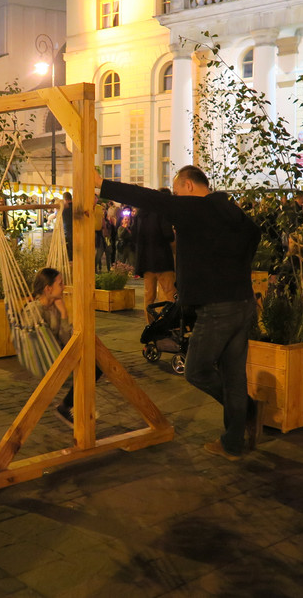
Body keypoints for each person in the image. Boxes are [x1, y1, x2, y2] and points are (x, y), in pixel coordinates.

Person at [98, 165, 262, 461]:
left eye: (176, 190)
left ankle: (246, 411)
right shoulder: (229, 207)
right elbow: (255, 232)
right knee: (235, 376)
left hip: (216, 307)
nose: (174, 196)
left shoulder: (193, 208)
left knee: (196, 370)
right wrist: (238, 267)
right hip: (242, 302)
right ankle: (233, 443)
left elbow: (147, 198)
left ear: (188, 186)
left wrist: (103, 185)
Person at [22, 267, 103, 426]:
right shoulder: (34, 310)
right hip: (44, 357)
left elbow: (66, 339)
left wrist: (64, 314)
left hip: (58, 353)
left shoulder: (54, 308)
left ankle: (73, 405)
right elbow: (39, 342)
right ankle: (67, 406)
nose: (64, 287)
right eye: (60, 283)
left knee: (96, 363)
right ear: (48, 289)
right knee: (91, 365)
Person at [133, 191, 176, 322]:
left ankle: (150, 323)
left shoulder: (141, 214)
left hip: (146, 261)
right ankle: (170, 322)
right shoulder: (162, 212)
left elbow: (134, 234)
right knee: (170, 293)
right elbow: (168, 234)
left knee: (149, 295)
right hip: (162, 260)